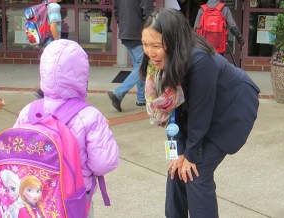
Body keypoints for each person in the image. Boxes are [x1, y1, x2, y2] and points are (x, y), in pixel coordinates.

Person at [140, 8, 260, 218]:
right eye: (145, 44)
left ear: (173, 40)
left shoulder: (199, 59)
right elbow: (171, 111)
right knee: (176, 168)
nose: (150, 52)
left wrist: (191, 154)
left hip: (231, 108)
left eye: (156, 46)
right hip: (200, 110)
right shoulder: (158, 64)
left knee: (196, 172)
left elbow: (200, 113)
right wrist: (176, 152)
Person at [14, 39, 119, 218]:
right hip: (73, 200)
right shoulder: (89, 116)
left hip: (35, 196)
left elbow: (17, 154)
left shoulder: (29, 111)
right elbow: (104, 163)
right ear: (82, 75)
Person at [107, 0, 153, 112]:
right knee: (143, 66)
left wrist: (123, 25)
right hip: (137, 33)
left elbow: (116, 11)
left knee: (139, 66)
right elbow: (147, 12)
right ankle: (118, 93)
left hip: (125, 33)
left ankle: (141, 98)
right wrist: (149, 29)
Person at [35, 0, 62, 99]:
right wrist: (59, 42)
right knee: (55, 68)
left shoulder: (45, 5)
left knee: (49, 67)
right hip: (51, 43)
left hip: (45, 42)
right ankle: (43, 91)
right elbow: (53, 27)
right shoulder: (54, 6)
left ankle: (44, 91)